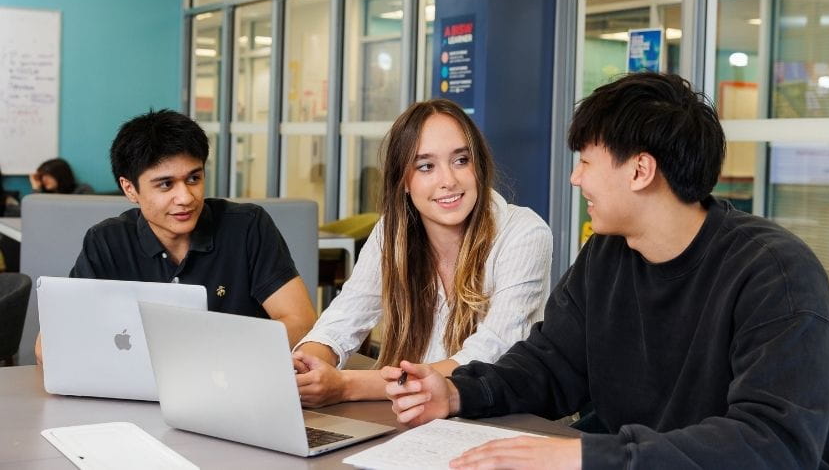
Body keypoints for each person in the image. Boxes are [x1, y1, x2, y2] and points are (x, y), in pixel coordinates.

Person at [383, 73, 829, 469]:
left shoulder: (775, 274)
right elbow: (551, 365)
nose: (576, 177)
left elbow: (771, 445)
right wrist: (458, 393)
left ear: (640, 171)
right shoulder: (608, 253)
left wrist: (583, 456)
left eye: (586, 161)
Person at [292, 99, 552, 407]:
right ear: (404, 180)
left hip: (508, 423)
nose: (448, 181)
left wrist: (347, 385)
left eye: (461, 160)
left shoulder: (523, 233)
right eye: (426, 166)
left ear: (478, 165)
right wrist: (305, 367)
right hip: (418, 419)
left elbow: (488, 356)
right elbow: (343, 319)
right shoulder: (393, 232)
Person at [34, 109, 316, 362]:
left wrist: (212, 355)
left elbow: (300, 321)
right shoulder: (106, 241)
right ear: (130, 189)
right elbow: (47, 345)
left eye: (194, 178)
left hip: (232, 387)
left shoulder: (247, 226)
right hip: (131, 397)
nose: (185, 197)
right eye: (165, 184)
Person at [29, 158, 94, 194]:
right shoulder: (45, 194)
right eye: (42, 176)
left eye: (47, 175)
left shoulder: (82, 190)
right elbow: (24, 210)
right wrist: (36, 189)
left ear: (60, 175)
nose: (43, 179)